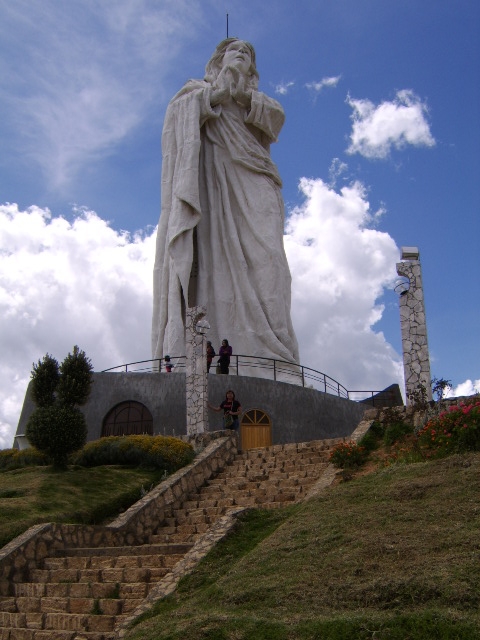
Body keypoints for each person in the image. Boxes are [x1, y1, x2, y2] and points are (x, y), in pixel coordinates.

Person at [151, 38, 299, 370]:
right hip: (211, 184)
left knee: (271, 263)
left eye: (247, 54)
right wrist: (215, 96)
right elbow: (176, 118)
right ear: (218, 61)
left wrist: (242, 97)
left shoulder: (257, 102)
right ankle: (208, 351)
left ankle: (277, 358)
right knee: (211, 266)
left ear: (253, 68)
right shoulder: (195, 92)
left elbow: (276, 119)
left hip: (254, 177)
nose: (241, 56)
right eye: (235, 52)